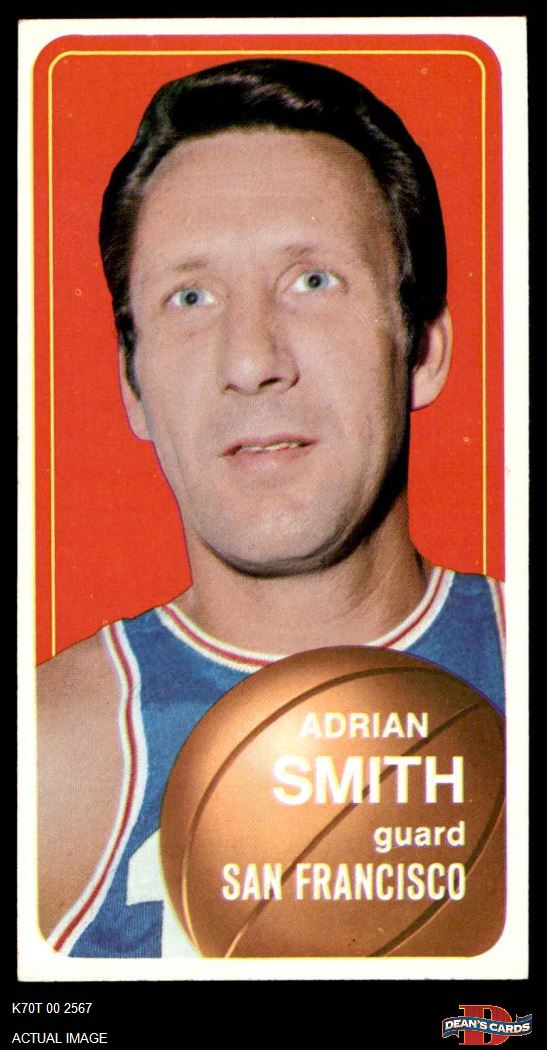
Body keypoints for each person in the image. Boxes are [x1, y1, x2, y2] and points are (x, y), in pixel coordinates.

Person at [38, 58, 505, 958]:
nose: (251, 360)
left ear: (422, 350)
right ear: (133, 388)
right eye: (190, 297)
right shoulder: (49, 764)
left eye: (311, 281)